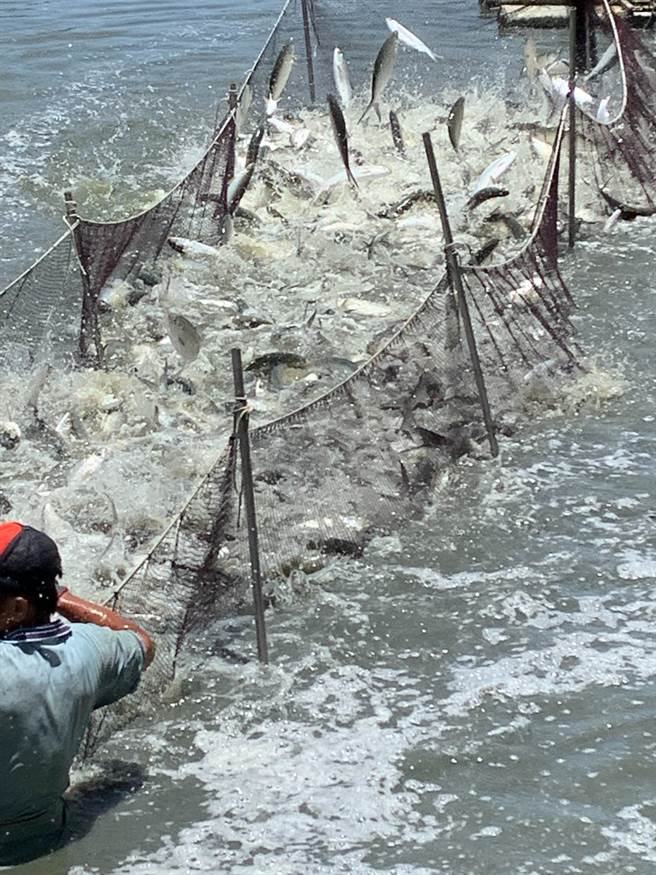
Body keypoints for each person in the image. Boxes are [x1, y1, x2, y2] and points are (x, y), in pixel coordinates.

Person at [0, 520, 155, 865]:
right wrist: (64, 600)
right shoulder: (87, 651)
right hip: (50, 843)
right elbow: (143, 643)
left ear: (17, 608)